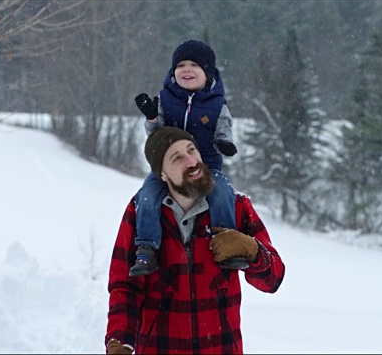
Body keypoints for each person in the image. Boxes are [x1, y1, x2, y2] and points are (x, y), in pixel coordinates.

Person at [105, 126, 285, 354]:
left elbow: (274, 279)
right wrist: (119, 340)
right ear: (162, 174)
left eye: (192, 150)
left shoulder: (235, 207)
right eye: (177, 157)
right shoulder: (142, 214)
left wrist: (253, 251)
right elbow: (124, 285)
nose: (191, 161)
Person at [130, 39, 242, 276]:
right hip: (168, 169)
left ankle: (227, 243)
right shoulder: (166, 100)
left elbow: (224, 127)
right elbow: (155, 134)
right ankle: (146, 249)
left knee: (222, 192)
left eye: (194, 65)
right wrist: (151, 117)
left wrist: (224, 142)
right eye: (180, 65)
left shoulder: (217, 105)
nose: (186, 70)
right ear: (173, 72)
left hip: (207, 166)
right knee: (147, 195)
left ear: (208, 73)